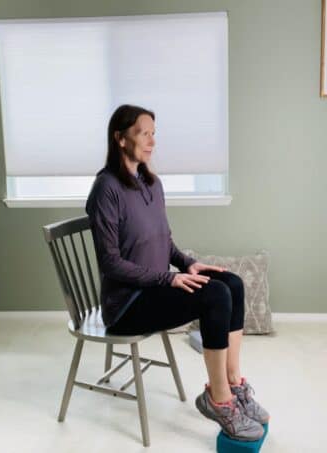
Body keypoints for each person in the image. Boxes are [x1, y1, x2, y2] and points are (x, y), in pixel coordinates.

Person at [86, 104, 269, 441]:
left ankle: (232, 382)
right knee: (214, 295)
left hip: (154, 290)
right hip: (127, 305)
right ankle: (220, 401)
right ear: (121, 138)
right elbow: (110, 262)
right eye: (145, 133)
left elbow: (163, 241)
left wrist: (186, 264)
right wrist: (167, 278)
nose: (153, 141)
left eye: (154, 134)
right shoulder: (106, 189)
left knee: (231, 283)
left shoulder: (150, 184)